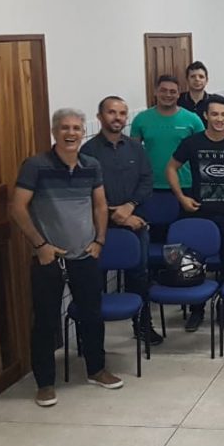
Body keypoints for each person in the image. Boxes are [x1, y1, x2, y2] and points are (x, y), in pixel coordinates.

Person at [10, 108, 123, 407]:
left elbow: (100, 206)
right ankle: (45, 383)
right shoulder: (35, 166)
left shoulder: (91, 165)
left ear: (83, 131)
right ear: (54, 132)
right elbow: (18, 207)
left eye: (76, 128)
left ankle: (96, 369)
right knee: (46, 320)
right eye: (64, 128)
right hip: (49, 257)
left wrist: (99, 240)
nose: (71, 133)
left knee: (92, 314)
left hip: (85, 253)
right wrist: (40, 245)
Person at [166, 94, 224, 332]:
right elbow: (171, 168)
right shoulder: (193, 143)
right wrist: (181, 197)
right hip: (199, 213)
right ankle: (197, 310)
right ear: (206, 116)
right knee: (195, 264)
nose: (220, 119)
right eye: (215, 114)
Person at [81, 96, 161, 346]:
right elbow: (85, 190)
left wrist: (129, 207)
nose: (117, 118)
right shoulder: (87, 152)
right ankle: (94, 332)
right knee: (94, 279)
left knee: (140, 275)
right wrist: (116, 212)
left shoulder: (136, 148)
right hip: (99, 226)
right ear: (99, 117)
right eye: (112, 112)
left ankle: (143, 324)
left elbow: (147, 181)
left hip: (135, 221)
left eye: (122, 113)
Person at [131, 74, 205, 191]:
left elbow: (203, 153)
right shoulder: (141, 119)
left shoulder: (193, 119)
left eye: (172, 91)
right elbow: (133, 155)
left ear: (178, 94)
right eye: (163, 90)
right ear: (156, 92)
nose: (168, 95)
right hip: (151, 185)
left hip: (185, 185)